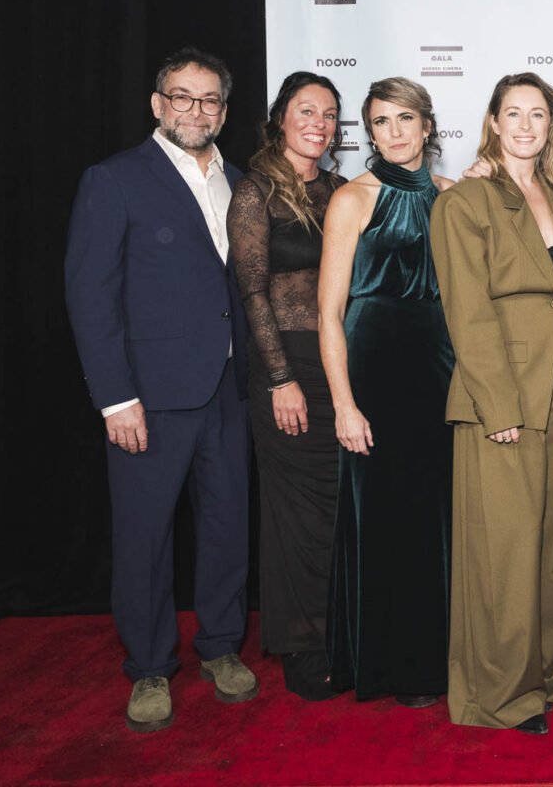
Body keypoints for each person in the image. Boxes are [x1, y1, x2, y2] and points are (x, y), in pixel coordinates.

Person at [65, 47, 258, 732]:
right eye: (182, 96)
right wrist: (115, 398)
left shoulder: (240, 181)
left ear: (224, 112)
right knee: (144, 538)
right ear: (157, 104)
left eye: (209, 100)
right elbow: (90, 295)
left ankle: (221, 647)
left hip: (229, 390)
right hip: (149, 397)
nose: (195, 110)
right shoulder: (115, 179)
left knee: (227, 527)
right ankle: (149, 664)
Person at [430, 73, 553, 735]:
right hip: (504, 395)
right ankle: (501, 695)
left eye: (538, 114)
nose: (526, 125)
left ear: (552, 124)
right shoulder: (465, 200)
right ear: (494, 122)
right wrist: (497, 408)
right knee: (504, 549)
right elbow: (466, 314)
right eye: (513, 113)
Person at [319, 77, 455, 707]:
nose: (394, 132)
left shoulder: (455, 197)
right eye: (380, 122)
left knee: (438, 513)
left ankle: (441, 656)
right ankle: (392, 663)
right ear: (368, 133)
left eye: (405, 119)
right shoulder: (352, 199)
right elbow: (329, 314)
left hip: (440, 369)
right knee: (383, 514)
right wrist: (344, 404)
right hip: (374, 372)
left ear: (427, 126)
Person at [225, 71, 347, 701]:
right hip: (287, 366)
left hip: (339, 365)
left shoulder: (342, 190)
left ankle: (343, 631)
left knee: (338, 507)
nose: (318, 124)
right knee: (294, 511)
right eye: (306, 111)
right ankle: (303, 643)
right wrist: (279, 377)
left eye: (329, 114)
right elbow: (252, 290)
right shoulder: (255, 191)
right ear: (280, 118)